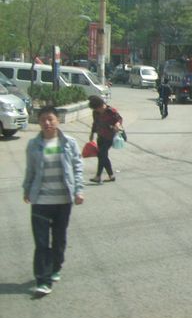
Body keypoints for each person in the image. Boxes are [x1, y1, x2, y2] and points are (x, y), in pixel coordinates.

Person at [22, 105, 85, 296]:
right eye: (43, 120)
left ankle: (56, 266)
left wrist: (79, 191)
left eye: (50, 119)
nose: (47, 123)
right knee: (41, 243)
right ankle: (43, 280)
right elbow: (30, 170)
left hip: (63, 200)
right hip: (40, 201)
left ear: (57, 120)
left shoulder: (69, 143)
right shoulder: (33, 145)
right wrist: (27, 189)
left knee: (58, 240)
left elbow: (77, 167)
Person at [88, 95, 123, 184]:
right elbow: (95, 123)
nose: (97, 111)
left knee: (102, 155)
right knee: (102, 156)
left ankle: (98, 176)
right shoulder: (95, 112)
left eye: (97, 109)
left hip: (109, 136)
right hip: (100, 136)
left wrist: (118, 124)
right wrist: (92, 133)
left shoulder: (111, 111)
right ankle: (111, 176)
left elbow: (119, 118)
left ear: (100, 106)